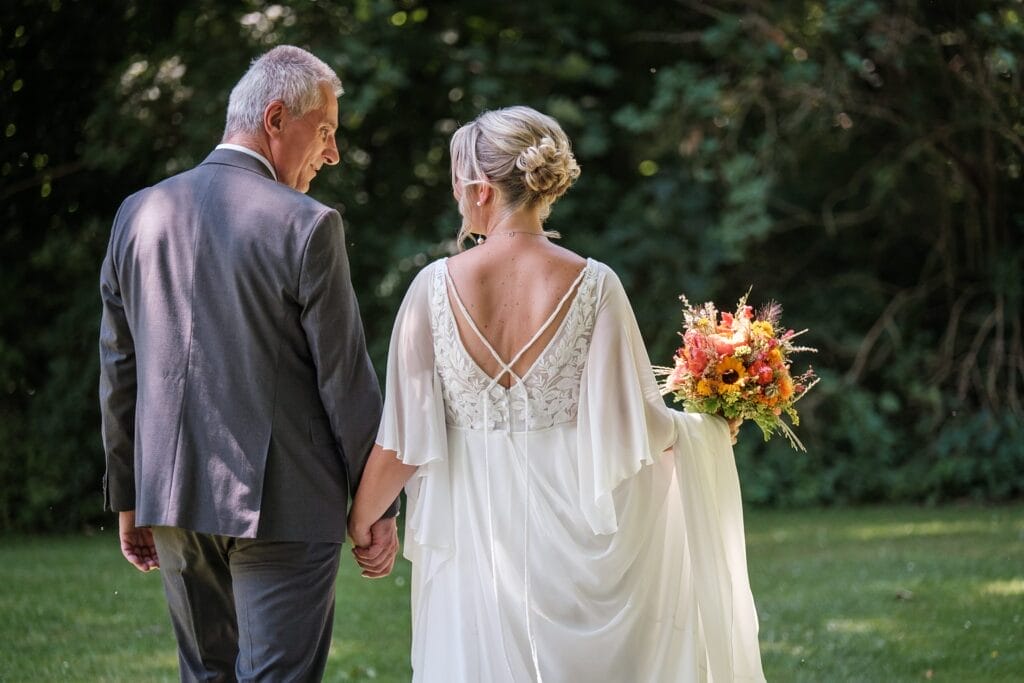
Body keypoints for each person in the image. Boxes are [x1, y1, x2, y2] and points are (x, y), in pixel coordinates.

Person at [348, 105, 766, 682]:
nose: (456, 198)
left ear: (481, 189)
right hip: (573, 541)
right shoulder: (596, 285)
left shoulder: (430, 290)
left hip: (475, 547)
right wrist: (711, 427)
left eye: (456, 185)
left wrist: (365, 520)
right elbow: (640, 427)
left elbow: (404, 442)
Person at [99, 45, 398, 682]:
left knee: (205, 676)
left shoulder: (138, 214)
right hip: (288, 504)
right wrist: (377, 509)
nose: (333, 153)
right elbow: (343, 379)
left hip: (174, 498)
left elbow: (119, 371)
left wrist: (130, 495)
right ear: (274, 119)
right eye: (326, 132)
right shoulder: (308, 226)